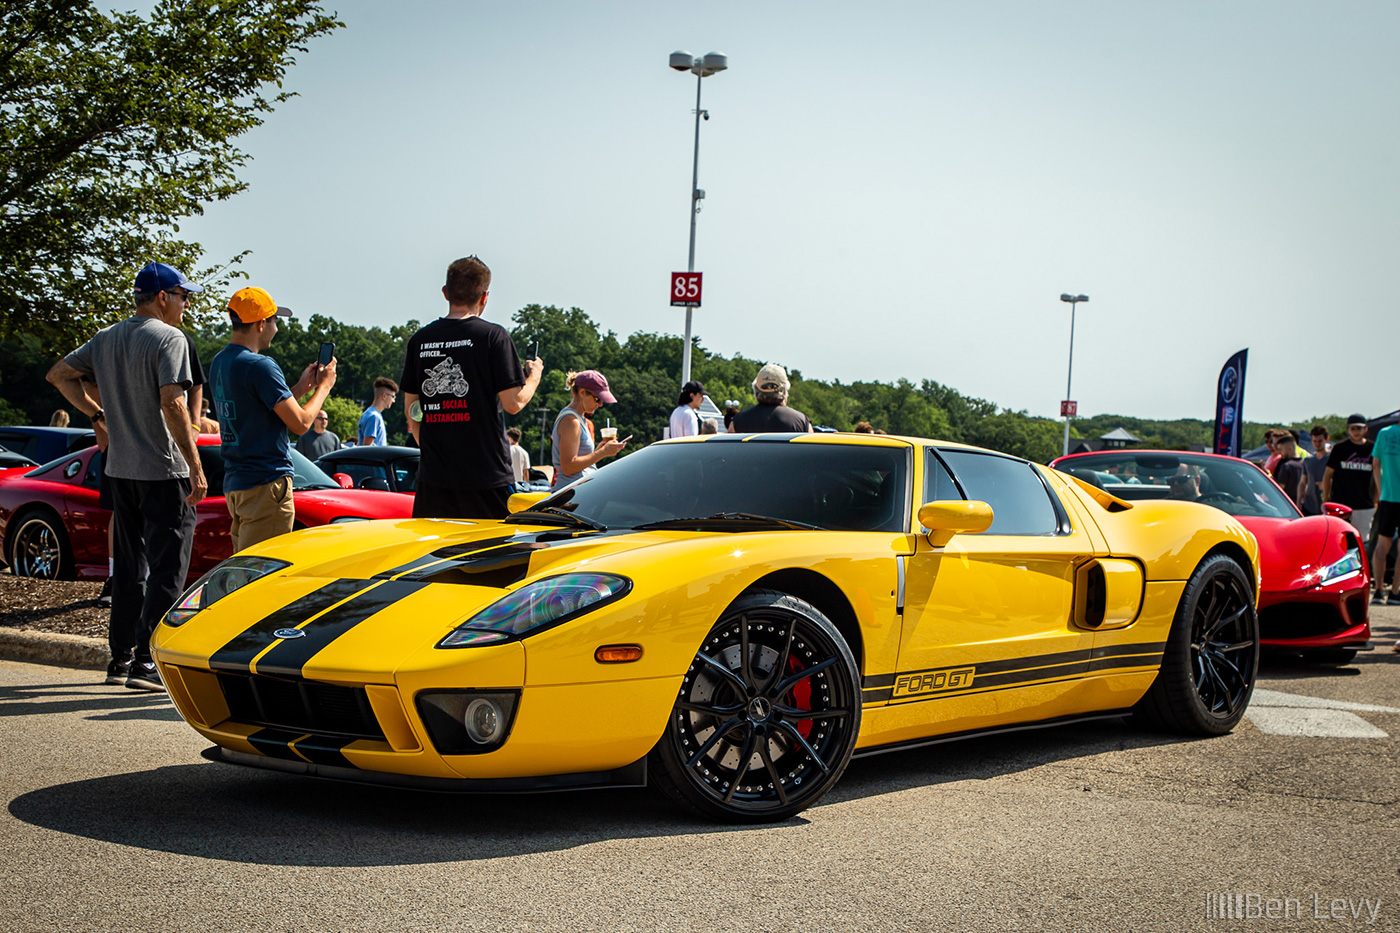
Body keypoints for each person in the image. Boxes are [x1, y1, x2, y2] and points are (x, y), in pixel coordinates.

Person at [45, 261, 207, 692]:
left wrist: (98, 415)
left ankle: (120, 659)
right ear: (162, 298)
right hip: (162, 469)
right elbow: (174, 404)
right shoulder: (170, 338)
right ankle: (146, 663)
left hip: (120, 468)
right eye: (183, 296)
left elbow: (58, 375)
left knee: (131, 566)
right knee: (169, 567)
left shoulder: (105, 338)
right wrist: (195, 465)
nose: (186, 304)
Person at [401, 256, 542, 519]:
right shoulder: (493, 336)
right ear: (485, 297)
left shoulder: (420, 340)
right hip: (486, 477)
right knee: (494, 555)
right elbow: (514, 403)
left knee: (434, 557)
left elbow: (412, 408)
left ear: (445, 293)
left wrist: (432, 446)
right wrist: (533, 377)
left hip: (434, 480)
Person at [209, 287, 336, 552]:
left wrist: (301, 388)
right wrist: (324, 386)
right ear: (261, 324)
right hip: (265, 484)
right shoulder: (260, 365)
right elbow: (301, 424)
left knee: (243, 568)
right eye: (275, 321)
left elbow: (258, 411)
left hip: (237, 483)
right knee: (260, 574)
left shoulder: (220, 362)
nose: (277, 329)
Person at [551, 370, 628, 488]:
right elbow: (568, 467)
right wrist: (603, 453)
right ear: (582, 393)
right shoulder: (572, 421)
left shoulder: (579, 419)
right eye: (598, 399)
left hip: (577, 490)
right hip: (570, 494)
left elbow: (579, 461)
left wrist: (598, 451)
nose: (600, 404)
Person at [1323, 414, 1379, 544]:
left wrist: (1375, 499)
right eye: (1353, 429)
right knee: (1340, 540)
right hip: (1341, 504)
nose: (1356, 432)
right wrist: (1326, 497)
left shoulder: (1372, 448)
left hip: (1364, 504)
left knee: (1362, 541)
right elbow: (1328, 475)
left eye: (1359, 429)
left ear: (1365, 429)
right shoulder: (1340, 448)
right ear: (1348, 430)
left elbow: (1376, 475)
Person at [1370, 417, 1400, 611]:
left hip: (1387, 497)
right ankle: (1395, 591)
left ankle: (1379, 590)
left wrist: (1381, 492)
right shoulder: (1386, 432)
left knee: (1382, 543)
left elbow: (1375, 464)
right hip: (1390, 497)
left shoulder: (1385, 433)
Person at [731, 363, 813, 434]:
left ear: (756, 390)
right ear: (785, 391)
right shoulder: (801, 422)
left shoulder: (738, 422)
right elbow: (811, 450)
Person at [358, 377, 397, 445]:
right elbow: (367, 449)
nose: (393, 401)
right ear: (384, 396)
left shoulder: (369, 414)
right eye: (393, 397)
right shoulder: (374, 417)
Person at [1301, 426, 1331, 515]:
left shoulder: (1332, 459)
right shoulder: (1308, 460)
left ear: (1327, 439)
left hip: (1327, 505)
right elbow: (1303, 482)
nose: (1317, 444)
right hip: (1309, 506)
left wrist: (1327, 484)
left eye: (1320, 441)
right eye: (1314, 441)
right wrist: (1299, 501)